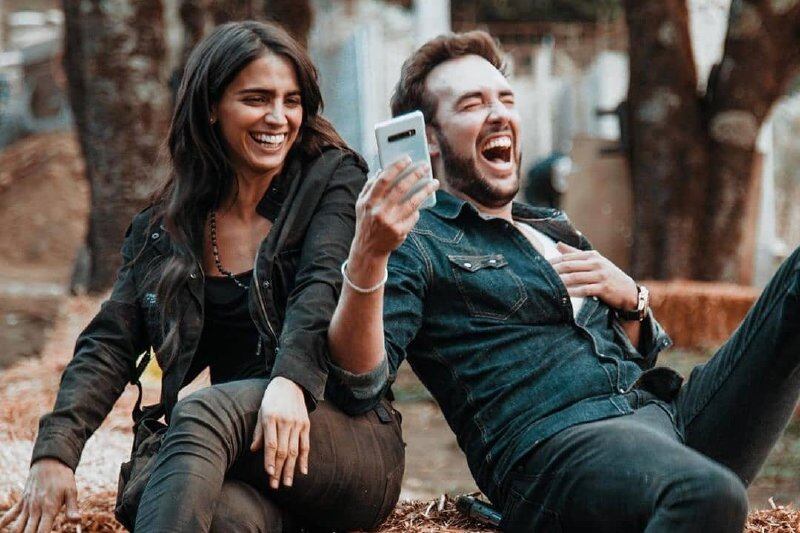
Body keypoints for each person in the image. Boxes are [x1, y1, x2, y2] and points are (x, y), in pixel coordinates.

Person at [327, 30, 800, 532]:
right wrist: (368, 255)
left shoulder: (552, 225)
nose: (498, 113)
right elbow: (359, 383)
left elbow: (636, 357)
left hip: (662, 416)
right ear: (427, 137)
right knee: (708, 495)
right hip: (558, 449)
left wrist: (633, 301)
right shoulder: (416, 240)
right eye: (472, 104)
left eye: (505, 99)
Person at [1, 21, 403, 533]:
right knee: (220, 517)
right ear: (211, 107)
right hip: (250, 453)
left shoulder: (332, 178)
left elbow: (321, 285)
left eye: (292, 101)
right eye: (256, 99)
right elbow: (110, 341)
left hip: (344, 439)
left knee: (197, 415)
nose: (278, 117)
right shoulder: (167, 226)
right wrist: (55, 453)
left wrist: (291, 380)